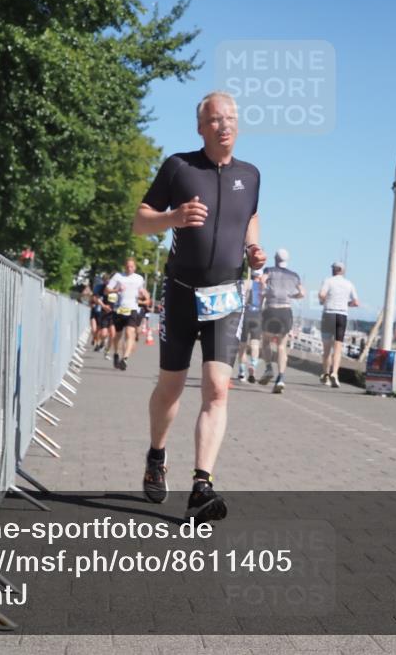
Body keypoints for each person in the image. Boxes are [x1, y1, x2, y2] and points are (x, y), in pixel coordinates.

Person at [131, 90, 265, 522]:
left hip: (226, 296)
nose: (224, 125)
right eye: (215, 119)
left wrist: (254, 247)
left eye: (230, 118)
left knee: (217, 389)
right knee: (170, 388)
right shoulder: (179, 166)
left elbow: (250, 217)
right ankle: (156, 455)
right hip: (181, 292)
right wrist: (171, 218)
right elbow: (139, 221)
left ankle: (201, 486)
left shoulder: (252, 174)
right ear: (200, 127)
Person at [258, 248, 305, 393]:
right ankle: (281, 378)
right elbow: (302, 293)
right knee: (281, 346)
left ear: (275, 258)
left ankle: (268, 369)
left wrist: (264, 292)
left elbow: (261, 281)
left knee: (265, 342)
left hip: (271, 309)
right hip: (285, 311)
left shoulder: (269, 270)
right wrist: (293, 296)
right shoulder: (294, 275)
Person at [105, 257, 150, 370]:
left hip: (133, 309)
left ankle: (125, 359)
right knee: (118, 335)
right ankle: (116, 353)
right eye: (127, 266)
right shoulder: (118, 276)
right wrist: (117, 290)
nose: (129, 268)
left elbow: (142, 293)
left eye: (131, 266)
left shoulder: (139, 278)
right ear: (124, 266)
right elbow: (107, 290)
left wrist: (142, 296)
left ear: (135, 267)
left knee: (130, 333)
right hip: (119, 309)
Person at [319, 261, 359, 388]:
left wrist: (324, 302)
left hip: (328, 314)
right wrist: (346, 304)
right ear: (343, 270)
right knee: (338, 348)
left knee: (326, 349)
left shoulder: (328, 281)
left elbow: (321, 295)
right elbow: (356, 302)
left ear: (334, 270)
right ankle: (335, 373)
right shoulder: (349, 284)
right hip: (341, 316)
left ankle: (325, 375)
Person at [235, 268, 264, 383]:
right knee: (255, 344)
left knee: (242, 346)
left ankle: (242, 373)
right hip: (257, 316)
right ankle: (253, 366)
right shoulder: (262, 286)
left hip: (246, 314)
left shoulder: (246, 283)